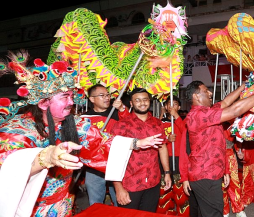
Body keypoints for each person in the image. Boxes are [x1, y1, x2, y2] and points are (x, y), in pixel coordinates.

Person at [0, 57, 163, 217]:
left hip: (64, 202)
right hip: (29, 208)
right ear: (43, 103)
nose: (71, 102)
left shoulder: (73, 123)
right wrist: (46, 157)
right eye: (65, 97)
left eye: (72, 96)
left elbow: (101, 141)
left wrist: (137, 143)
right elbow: (7, 167)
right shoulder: (17, 131)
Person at [183, 79, 254, 217]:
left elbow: (226, 102)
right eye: (205, 91)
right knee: (214, 213)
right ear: (196, 96)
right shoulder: (198, 115)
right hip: (205, 175)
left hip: (212, 172)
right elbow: (234, 111)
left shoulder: (207, 111)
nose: (210, 93)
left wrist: (244, 86)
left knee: (213, 211)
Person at [111, 88, 172, 212]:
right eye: (137, 100)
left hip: (153, 181)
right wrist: (118, 187)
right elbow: (113, 156)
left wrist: (167, 173)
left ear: (149, 101)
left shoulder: (157, 123)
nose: (142, 103)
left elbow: (162, 147)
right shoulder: (122, 125)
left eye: (145, 100)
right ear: (132, 104)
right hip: (130, 184)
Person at [80, 84, 129, 207]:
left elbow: (131, 125)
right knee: (95, 203)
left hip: (116, 162)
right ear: (92, 99)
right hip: (94, 165)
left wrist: (122, 109)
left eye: (108, 95)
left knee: (120, 201)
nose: (107, 98)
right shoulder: (84, 118)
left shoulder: (117, 113)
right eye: (102, 95)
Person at [158, 95, 187, 214]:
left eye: (175, 104)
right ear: (165, 106)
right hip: (165, 159)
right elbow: (157, 137)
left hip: (180, 158)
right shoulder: (161, 122)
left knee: (181, 191)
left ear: (179, 107)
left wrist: (176, 116)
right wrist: (167, 138)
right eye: (169, 104)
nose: (172, 106)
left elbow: (186, 132)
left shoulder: (183, 120)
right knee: (164, 190)